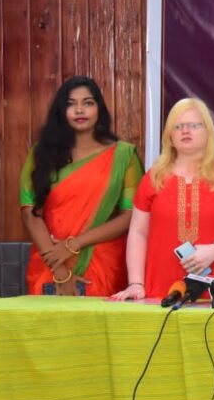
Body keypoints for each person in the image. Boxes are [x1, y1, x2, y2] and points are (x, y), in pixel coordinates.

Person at [110, 98, 214, 301]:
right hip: (161, 289)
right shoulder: (153, 178)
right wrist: (136, 283)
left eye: (194, 125)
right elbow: (138, 234)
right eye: (178, 126)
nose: (185, 131)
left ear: (208, 132)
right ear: (170, 136)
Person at [20, 76, 143, 296]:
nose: (79, 110)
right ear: (61, 111)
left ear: (99, 109)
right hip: (50, 261)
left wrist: (74, 244)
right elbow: (30, 213)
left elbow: (130, 216)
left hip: (103, 263)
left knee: (100, 319)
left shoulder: (123, 156)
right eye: (71, 104)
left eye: (88, 103)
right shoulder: (41, 155)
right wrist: (59, 269)